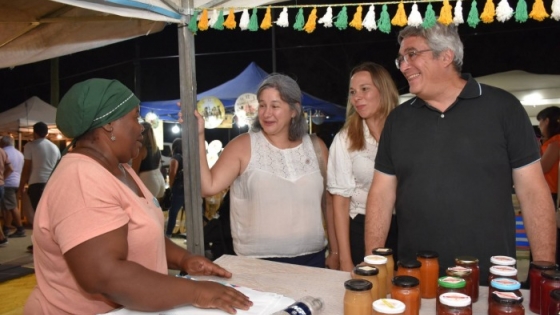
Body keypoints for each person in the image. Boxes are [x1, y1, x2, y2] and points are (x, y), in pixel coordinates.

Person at [24, 79, 252, 314]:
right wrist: (196, 292)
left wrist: (184, 260)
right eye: (135, 117)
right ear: (109, 124)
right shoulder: (81, 178)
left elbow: (143, 232)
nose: (142, 126)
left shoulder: (122, 168)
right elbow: (105, 275)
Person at [364, 22, 556, 285]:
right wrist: (373, 265)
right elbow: (381, 195)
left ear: (446, 56)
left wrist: (544, 271)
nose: (403, 66)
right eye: (400, 58)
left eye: (411, 54)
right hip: (415, 277)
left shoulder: (503, 108)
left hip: (490, 279)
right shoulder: (398, 120)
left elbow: (533, 192)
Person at [194, 74, 339, 269]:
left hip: (313, 260)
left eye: (275, 105)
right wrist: (199, 135)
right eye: (262, 105)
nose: (266, 113)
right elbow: (208, 187)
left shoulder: (316, 147)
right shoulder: (243, 145)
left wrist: (336, 251)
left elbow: (330, 203)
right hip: (256, 264)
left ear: (294, 110)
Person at [327, 62, 399, 271]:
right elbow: (339, 204)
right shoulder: (345, 139)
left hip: (405, 228)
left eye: (364, 89)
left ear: (383, 91)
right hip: (359, 227)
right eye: (352, 92)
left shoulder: (404, 131)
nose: (356, 97)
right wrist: (344, 259)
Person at [536, 106, 560, 265]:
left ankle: (543, 271)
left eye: (540, 122)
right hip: (548, 192)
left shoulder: (556, 141)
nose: (539, 127)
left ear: (547, 121)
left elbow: (543, 167)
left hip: (551, 194)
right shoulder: (550, 141)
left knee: (543, 234)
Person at [132, 121, 166, 199]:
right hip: (159, 179)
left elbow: (134, 172)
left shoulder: (141, 150)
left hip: (147, 180)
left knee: (144, 208)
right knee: (155, 208)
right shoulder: (156, 148)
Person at [1, 135, 25, 238]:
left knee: (12, 207)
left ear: (3, 143)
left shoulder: (4, 152)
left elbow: (8, 168)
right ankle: (6, 227)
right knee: (9, 206)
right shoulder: (19, 153)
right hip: (16, 182)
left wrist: (3, 178)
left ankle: (20, 228)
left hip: (7, 183)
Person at [165, 137, 185, 237]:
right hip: (187, 187)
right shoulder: (186, 157)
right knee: (188, 211)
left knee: (173, 212)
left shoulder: (176, 157)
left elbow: (172, 172)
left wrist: (171, 185)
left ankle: (168, 234)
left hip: (179, 187)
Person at [0, 146, 13, 246]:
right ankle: (2, 238)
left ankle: (2, 238)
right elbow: (10, 168)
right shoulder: (2, 151)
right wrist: (2, 178)